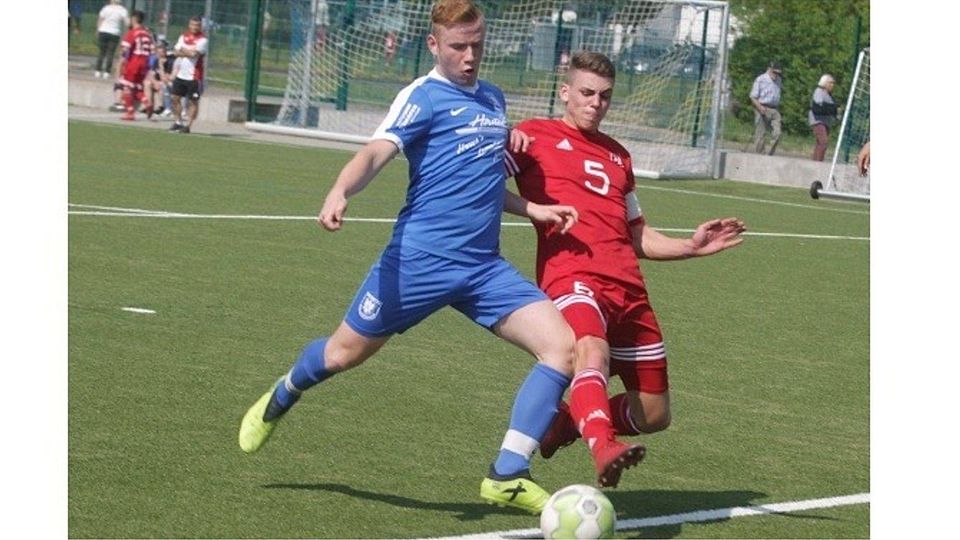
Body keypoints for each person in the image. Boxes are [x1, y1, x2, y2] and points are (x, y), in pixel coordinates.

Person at [238, 0, 582, 515]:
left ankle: (508, 472)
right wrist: (340, 190)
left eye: (477, 45)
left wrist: (531, 206)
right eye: (458, 47)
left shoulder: (492, 97)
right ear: (434, 45)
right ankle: (285, 391)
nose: (470, 56)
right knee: (342, 355)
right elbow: (377, 150)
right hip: (419, 262)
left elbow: (482, 179)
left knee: (563, 348)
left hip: (483, 268)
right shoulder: (422, 97)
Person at [505, 51, 746, 484]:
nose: (595, 102)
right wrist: (531, 208)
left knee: (654, 414)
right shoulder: (533, 135)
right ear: (564, 93)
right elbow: (478, 183)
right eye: (586, 93)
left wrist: (691, 246)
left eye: (605, 96)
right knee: (589, 353)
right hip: (572, 277)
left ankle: (568, 423)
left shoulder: (619, 156)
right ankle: (603, 449)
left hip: (629, 291)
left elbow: (638, 236)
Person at [168, 17, 209, 134]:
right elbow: (175, 52)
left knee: (192, 101)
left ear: (200, 26)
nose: (195, 27)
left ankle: (188, 125)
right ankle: (178, 122)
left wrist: (183, 49)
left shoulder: (203, 39)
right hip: (181, 74)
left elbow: (194, 54)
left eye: (197, 25)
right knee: (174, 98)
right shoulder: (183, 36)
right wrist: (186, 51)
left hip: (194, 76)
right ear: (189, 25)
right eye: (193, 24)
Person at [116, 11, 155, 121]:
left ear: (133, 19)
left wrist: (123, 63)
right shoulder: (147, 33)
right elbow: (152, 50)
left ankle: (130, 112)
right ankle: (147, 103)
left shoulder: (132, 32)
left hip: (134, 62)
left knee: (126, 87)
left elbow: (124, 50)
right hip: (144, 63)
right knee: (136, 87)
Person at [749, 61, 783, 155]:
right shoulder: (761, 79)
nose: (776, 75)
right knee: (760, 134)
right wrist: (760, 108)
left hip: (774, 109)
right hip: (762, 107)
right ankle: (760, 154)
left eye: (778, 73)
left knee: (777, 133)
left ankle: (770, 153)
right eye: (774, 72)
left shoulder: (779, 80)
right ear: (769, 69)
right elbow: (753, 96)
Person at [95, 0, 129, 79]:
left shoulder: (106, 8)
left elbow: (100, 19)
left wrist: (98, 30)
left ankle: (98, 70)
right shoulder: (122, 10)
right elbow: (126, 21)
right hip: (114, 32)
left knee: (102, 52)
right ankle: (107, 72)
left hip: (103, 31)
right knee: (111, 53)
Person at [809, 74, 839, 161]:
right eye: (830, 83)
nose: (832, 85)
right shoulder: (819, 91)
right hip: (818, 121)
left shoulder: (828, 95)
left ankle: (815, 161)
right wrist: (831, 108)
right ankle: (818, 162)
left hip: (826, 122)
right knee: (823, 141)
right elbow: (818, 107)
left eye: (833, 83)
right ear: (824, 83)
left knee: (819, 143)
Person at [144, 38, 176, 118]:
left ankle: (162, 107)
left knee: (163, 85)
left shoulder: (171, 60)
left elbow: (166, 78)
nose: (158, 50)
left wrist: (161, 66)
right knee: (147, 83)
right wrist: (154, 82)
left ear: (166, 49)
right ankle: (150, 106)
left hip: (169, 84)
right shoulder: (156, 60)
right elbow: (151, 74)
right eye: (157, 48)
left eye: (160, 48)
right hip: (159, 83)